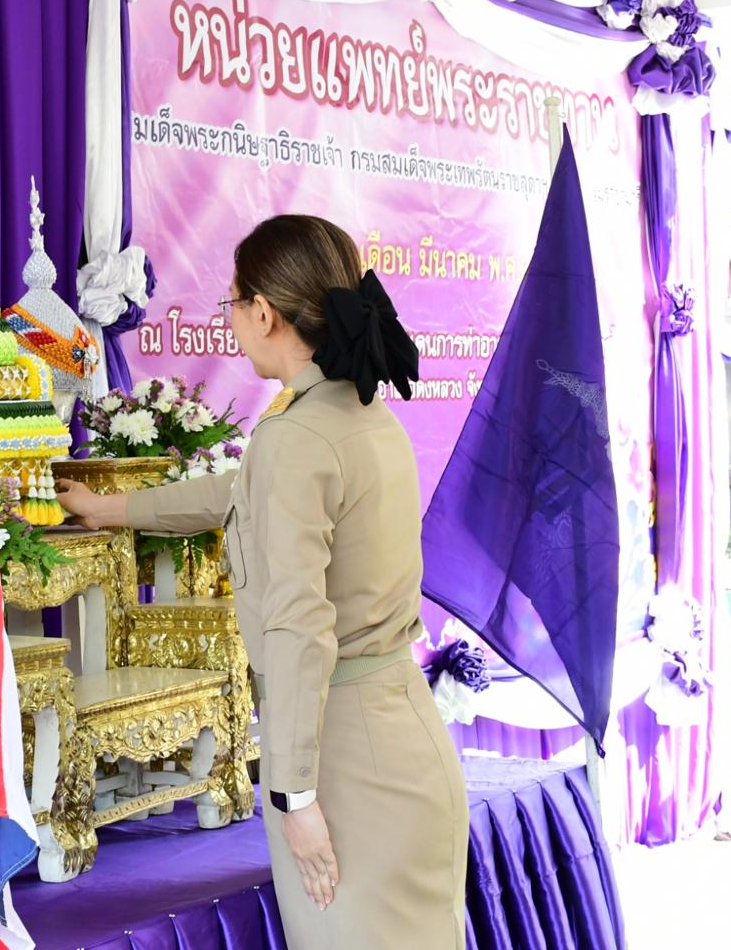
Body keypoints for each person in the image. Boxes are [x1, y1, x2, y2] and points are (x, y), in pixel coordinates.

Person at [57, 215, 468, 948]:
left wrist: (294, 792)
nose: (231, 320)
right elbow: (241, 493)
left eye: (232, 302)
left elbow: (300, 629)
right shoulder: (356, 412)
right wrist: (110, 508)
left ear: (264, 312)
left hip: (344, 762)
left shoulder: (297, 436)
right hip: (401, 737)